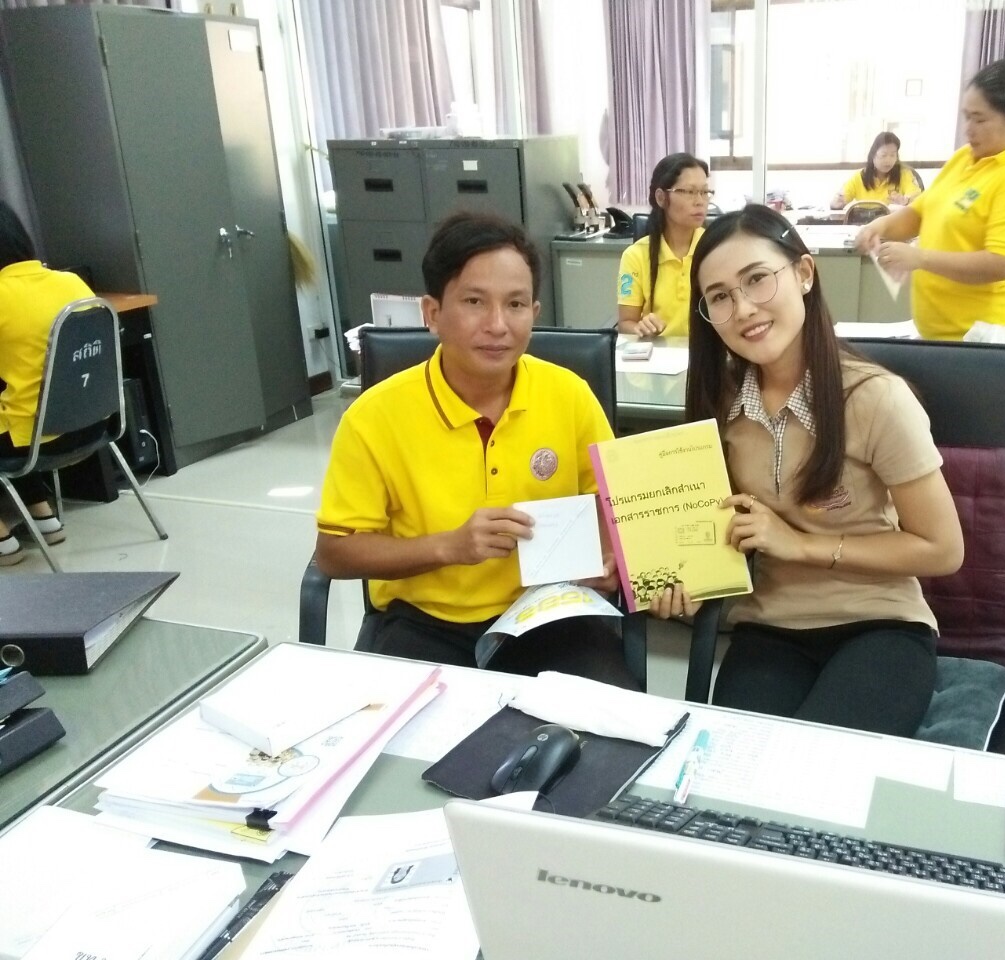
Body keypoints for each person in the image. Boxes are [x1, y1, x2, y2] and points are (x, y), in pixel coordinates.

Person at [652, 204, 964, 737]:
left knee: (824, 767)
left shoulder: (875, 398)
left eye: (757, 279)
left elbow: (943, 549)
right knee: (735, 761)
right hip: (769, 628)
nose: (743, 308)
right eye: (720, 297)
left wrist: (800, 545)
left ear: (803, 273)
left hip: (879, 622)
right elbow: (717, 528)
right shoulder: (719, 401)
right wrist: (680, 582)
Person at [315, 212, 638, 689]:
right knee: (404, 730)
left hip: (545, 612)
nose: (498, 325)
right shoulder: (373, 417)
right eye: (474, 301)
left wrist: (612, 559)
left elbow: (616, 504)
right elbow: (333, 553)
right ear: (432, 313)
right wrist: (449, 546)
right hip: (424, 621)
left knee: (601, 722)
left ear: (535, 312)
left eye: (516, 304)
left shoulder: (568, 394)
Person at [854, 60, 1005, 341]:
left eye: (979, 119)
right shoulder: (965, 157)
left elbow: (1002, 263)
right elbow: (921, 212)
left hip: (982, 339)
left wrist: (920, 258)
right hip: (938, 334)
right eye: (967, 117)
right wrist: (881, 226)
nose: (968, 129)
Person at [0, 201, 94, 566]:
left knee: (15, 413)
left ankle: (3, 541)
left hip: (34, 440)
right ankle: (44, 516)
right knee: (18, 406)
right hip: (91, 424)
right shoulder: (72, 282)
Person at [616, 152, 711, 338]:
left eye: (705, 192)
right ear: (661, 198)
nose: (700, 201)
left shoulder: (716, 248)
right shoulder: (635, 256)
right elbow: (626, 323)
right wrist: (641, 329)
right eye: (690, 192)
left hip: (707, 352)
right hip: (659, 352)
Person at [831, 132, 921, 208]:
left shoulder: (904, 174)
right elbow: (837, 202)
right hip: (866, 223)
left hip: (893, 223)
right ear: (873, 156)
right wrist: (837, 202)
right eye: (883, 155)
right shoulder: (859, 177)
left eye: (893, 155)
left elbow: (917, 197)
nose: (888, 160)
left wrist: (905, 200)